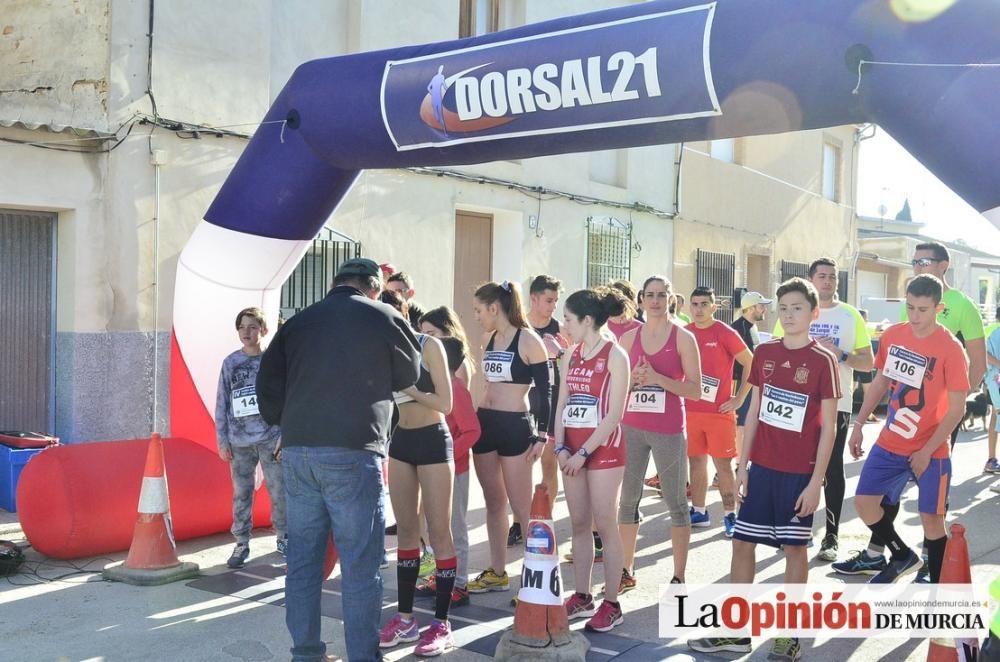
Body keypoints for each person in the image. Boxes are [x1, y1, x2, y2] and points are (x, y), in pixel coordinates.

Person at [257, 257, 421, 662]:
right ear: (374, 287)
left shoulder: (298, 321)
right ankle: (364, 656)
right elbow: (410, 374)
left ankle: (307, 653)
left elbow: (266, 385)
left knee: (304, 560)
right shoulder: (383, 316)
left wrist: (287, 424)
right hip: (354, 450)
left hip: (298, 451)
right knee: (360, 565)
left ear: (335, 283)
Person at [690, 277, 839, 661]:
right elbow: (754, 411)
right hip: (762, 469)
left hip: (798, 475)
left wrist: (816, 481)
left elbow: (830, 427)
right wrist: (743, 465)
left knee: (794, 549)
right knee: (742, 543)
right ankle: (736, 632)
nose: (790, 315)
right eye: (784, 308)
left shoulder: (822, 360)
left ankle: (788, 636)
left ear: (813, 313)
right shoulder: (766, 353)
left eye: (798, 308)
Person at [835, 241, 985, 581]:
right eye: (911, 307)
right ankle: (901, 555)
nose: (915, 316)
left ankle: (938, 585)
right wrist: (859, 424)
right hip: (891, 441)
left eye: (922, 310)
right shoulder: (895, 335)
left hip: (932, 446)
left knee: (932, 518)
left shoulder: (950, 348)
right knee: (864, 501)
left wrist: (927, 450)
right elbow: (880, 382)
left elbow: (958, 408)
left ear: (938, 308)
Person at [771, 258, 874, 563]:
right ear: (811, 279)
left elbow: (868, 363)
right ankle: (793, 529)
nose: (827, 281)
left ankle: (831, 536)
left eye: (832, 277)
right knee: (793, 464)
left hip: (836, 402)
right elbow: (778, 351)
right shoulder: (795, 310)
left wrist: (840, 353)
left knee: (830, 468)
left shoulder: (850, 315)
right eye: (822, 276)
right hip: (796, 403)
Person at [375, 290, 458, 657]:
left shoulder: (428, 345)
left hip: (433, 441)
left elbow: (446, 403)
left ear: (404, 312)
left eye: (391, 312)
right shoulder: (377, 350)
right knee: (406, 532)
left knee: (439, 532)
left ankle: (441, 623)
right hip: (400, 444)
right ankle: (405, 618)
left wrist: (409, 387)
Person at [466, 280, 551, 594]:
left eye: (479, 310)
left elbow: (546, 391)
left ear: (494, 307)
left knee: (522, 507)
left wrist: (542, 435)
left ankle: (534, 580)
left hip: (515, 425)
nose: (476, 317)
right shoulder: (489, 338)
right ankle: (497, 571)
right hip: (485, 423)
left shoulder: (529, 340)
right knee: (493, 502)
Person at [617, 276, 701, 590]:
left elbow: (694, 390)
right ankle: (625, 570)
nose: (655, 301)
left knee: (677, 503)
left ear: (670, 299)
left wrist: (657, 378)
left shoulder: (682, 337)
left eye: (661, 295)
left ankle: (679, 576)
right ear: (640, 300)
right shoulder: (628, 339)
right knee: (627, 502)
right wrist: (635, 381)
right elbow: (617, 388)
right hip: (633, 427)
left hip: (667, 429)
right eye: (649, 295)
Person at [554, 287, 631, 632]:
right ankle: (581, 595)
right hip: (571, 450)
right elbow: (562, 405)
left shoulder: (616, 355)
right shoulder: (570, 354)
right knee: (579, 524)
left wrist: (584, 453)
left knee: (605, 523)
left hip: (603, 451)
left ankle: (612, 602)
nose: (564, 324)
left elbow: (614, 414)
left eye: (568, 319)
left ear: (587, 320)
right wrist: (560, 446)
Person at [215, 307, 286, 569]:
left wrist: (284, 435)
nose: (247, 332)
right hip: (239, 441)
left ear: (264, 330)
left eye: (253, 326)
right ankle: (241, 542)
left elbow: (286, 400)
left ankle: (284, 537)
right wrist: (222, 439)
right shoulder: (230, 363)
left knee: (279, 490)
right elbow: (222, 402)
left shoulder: (275, 362)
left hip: (271, 437)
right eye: (242, 327)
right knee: (241, 493)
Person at [416, 336, 481, 608]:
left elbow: (472, 431)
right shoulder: (439, 388)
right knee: (436, 526)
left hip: (455, 470)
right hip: (436, 468)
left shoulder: (456, 389)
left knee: (455, 527)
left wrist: (446, 453)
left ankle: (460, 584)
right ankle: (443, 577)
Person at [685, 287, 753, 538]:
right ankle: (700, 511)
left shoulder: (725, 332)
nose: (699, 309)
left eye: (704, 304)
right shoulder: (685, 333)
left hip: (719, 412)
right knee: (695, 462)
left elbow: (751, 363)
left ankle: (729, 514)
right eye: (695, 304)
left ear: (714, 307)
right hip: (690, 411)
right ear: (689, 307)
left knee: (723, 465)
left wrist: (739, 398)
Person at [520, 274, 568, 541]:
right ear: (534, 298)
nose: (552, 306)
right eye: (548, 300)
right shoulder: (519, 327)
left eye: (555, 301)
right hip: (523, 404)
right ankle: (520, 521)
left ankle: (544, 522)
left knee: (549, 464)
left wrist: (560, 352)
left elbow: (573, 364)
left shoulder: (561, 330)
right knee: (521, 467)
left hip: (551, 403)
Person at [731, 291, 772, 460]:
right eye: (761, 306)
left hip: (752, 382)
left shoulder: (752, 327)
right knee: (740, 425)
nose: (764, 310)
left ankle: (741, 462)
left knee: (746, 424)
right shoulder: (737, 328)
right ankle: (737, 465)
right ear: (750, 309)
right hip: (739, 382)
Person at [419, 306, 474, 386]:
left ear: (448, 332)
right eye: (423, 335)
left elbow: (456, 396)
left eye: (431, 334)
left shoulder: (459, 364)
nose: (427, 339)